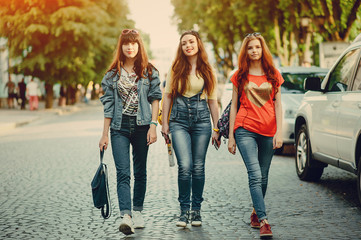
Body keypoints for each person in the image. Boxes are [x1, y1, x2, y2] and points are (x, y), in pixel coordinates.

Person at [98, 29, 162, 235]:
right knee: (123, 172)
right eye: (126, 43)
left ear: (139, 46)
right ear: (121, 47)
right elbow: (108, 106)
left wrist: (153, 125)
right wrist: (104, 134)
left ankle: (138, 210)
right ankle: (126, 216)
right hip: (119, 127)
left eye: (133, 43)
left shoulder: (149, 71)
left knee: (140, 170)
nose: (130, 46)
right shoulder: (112, 75)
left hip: (143, 126)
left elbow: (155, 98)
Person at [161, 30, 220, 228]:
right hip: (178, 120)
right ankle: (184, 211)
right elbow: (167, 96)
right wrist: (165, 123)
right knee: (185, 166)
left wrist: (217, 127)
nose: (188, 45)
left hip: (202, 120)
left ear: (198, 44)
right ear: (181, 46)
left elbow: (213, 101)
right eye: (184, 43)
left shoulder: (208, 69)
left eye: (191, 42)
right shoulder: (175, 68)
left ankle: (196, 211)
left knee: (198, 166)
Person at [228, 33, 283, 238]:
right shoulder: (239, 75)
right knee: (255, 174)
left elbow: (278, 104)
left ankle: (254, 212)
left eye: (257, 47)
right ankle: (263, 220)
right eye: (250, 47)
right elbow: (234, 106)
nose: (254, 51)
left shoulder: (273, 74)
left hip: (269, 130)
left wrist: (279, 132)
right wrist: (232, 136)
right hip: (245, 128)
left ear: (262, 49)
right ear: (246, 51)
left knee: (264, 175)